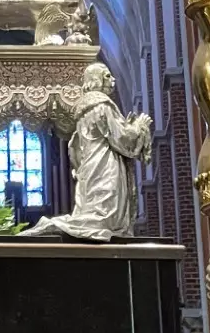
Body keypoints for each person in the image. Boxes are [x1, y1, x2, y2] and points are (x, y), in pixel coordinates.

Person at [23, 63, 152, 241]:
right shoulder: (102, 106)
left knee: (96, 213)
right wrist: (139, 126)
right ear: (95, 80)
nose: (112, 80)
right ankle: (53, 225)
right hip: (105, 166)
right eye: (107, 76)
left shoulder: (86, 109)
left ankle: (54, 225)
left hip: (91, 167)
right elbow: (123, 138)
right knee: (104, 216)